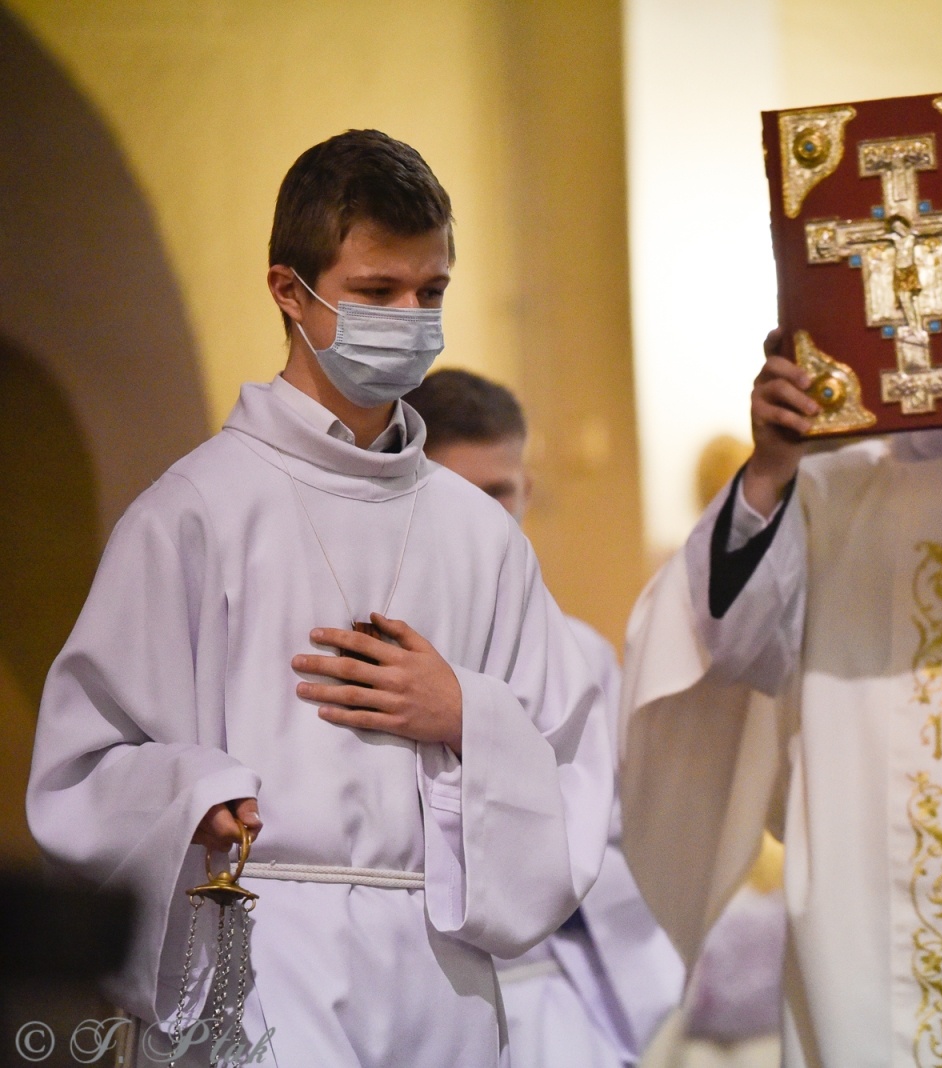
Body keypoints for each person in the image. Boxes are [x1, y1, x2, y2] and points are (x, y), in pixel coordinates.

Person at [27, 130, 613, 1066]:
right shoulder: (194, 514)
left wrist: (469, 715)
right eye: (377, 293)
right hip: (265, 953)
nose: (412, 318)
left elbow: (575, 764)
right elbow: (79, 771)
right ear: (288, 292)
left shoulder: (481, 534)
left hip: (445, 974)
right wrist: (192, 800)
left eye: (433, 293)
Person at [620, 241, 942, 1067]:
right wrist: (770, 471)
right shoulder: (820, 492)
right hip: (865, 961)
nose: (932, 324)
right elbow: (720, 654)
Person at [407, 367, 684, 1067]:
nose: (486, 519)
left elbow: (626, 839)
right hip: (410, 988)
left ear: (527, 491)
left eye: (500, 493)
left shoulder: (580, 656)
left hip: (552, 995)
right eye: (460, 495)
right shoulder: (372, 651)